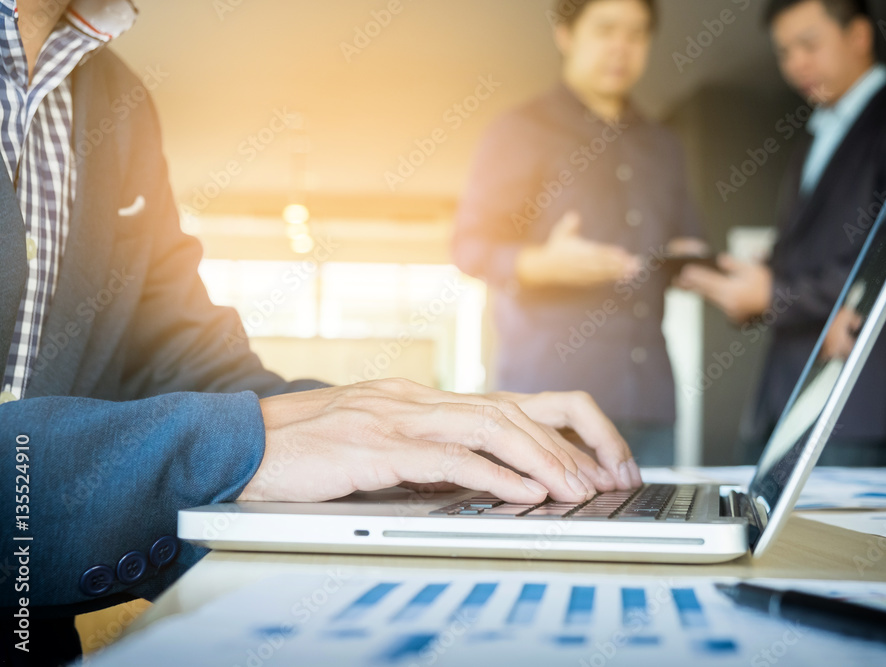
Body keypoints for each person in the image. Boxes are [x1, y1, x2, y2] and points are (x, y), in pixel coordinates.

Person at [0, 1, 641, 664]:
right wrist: (231, 450)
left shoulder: (117, 98)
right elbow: (231, 431)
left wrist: (418, 427)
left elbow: (194, 370)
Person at [677, 0, 886, 467]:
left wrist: (774, 291)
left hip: (855, 400)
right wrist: (751, 281)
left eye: (808, 44)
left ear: (858, 36)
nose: (795, 63)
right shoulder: (813, 136)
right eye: (784, 52)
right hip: (786, 397)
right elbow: (807, 255)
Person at [452, 0, 706, 467]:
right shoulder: (519, 130)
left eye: (636, 34)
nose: (621, 47)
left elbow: (682, 243)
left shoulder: (664, 145)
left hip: (649, 400)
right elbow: (468, 246)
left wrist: (693, 263)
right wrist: (539, 264)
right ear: (566, 35)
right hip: (548, 405)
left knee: (649, 536)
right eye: (606, 29)